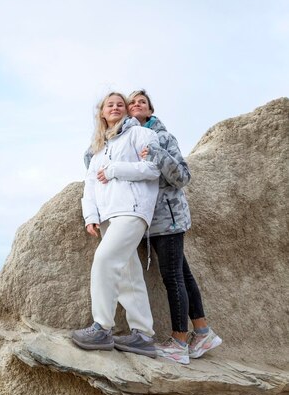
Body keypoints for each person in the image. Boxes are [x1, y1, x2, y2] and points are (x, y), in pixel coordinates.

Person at [127, 89, 222, 365]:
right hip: (150, 221)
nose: (135, 105)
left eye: (141, 102)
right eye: (131, 102)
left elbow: (182, 176)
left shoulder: (163, 138)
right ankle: (202, 332)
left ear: (150, 110)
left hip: (167, 219)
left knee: (173, 277)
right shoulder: (128, 139)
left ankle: (179, 341)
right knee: (182, 273)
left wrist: (155, 152)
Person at [72, 92, 160, 358]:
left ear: (126, 111)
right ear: (102, 112)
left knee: (104, 261)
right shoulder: (99, 147)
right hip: (109, 215)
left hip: (133, 210)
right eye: (110, 104)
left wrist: (114, 170)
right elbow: (90, 184)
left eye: (120, 104)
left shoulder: (140, 134)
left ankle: (102, 327)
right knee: (128, 274)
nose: (116, 107)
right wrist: (90, 215)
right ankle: (143, 335)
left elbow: (153, 168)